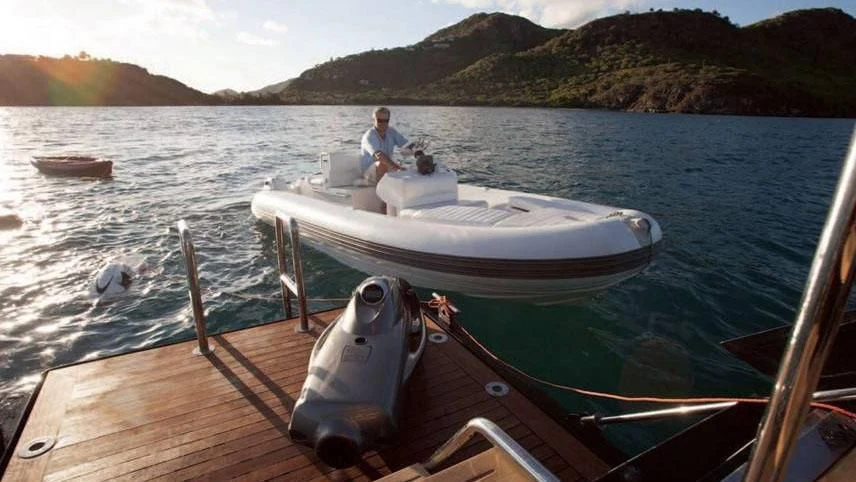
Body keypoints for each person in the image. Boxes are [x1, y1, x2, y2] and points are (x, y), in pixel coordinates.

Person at [360, 107, 410, 184]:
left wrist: (418, 153)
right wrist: (397, 168)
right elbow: (378, 155)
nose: (383, 123)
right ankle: (382, 194)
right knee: (382, 164)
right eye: (379, 120)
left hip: (387, 168)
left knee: (409, 167)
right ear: (373, 121)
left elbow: (406, 145)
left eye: (386, 121)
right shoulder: (369, 136)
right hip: (368, 173)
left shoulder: (391, 131)